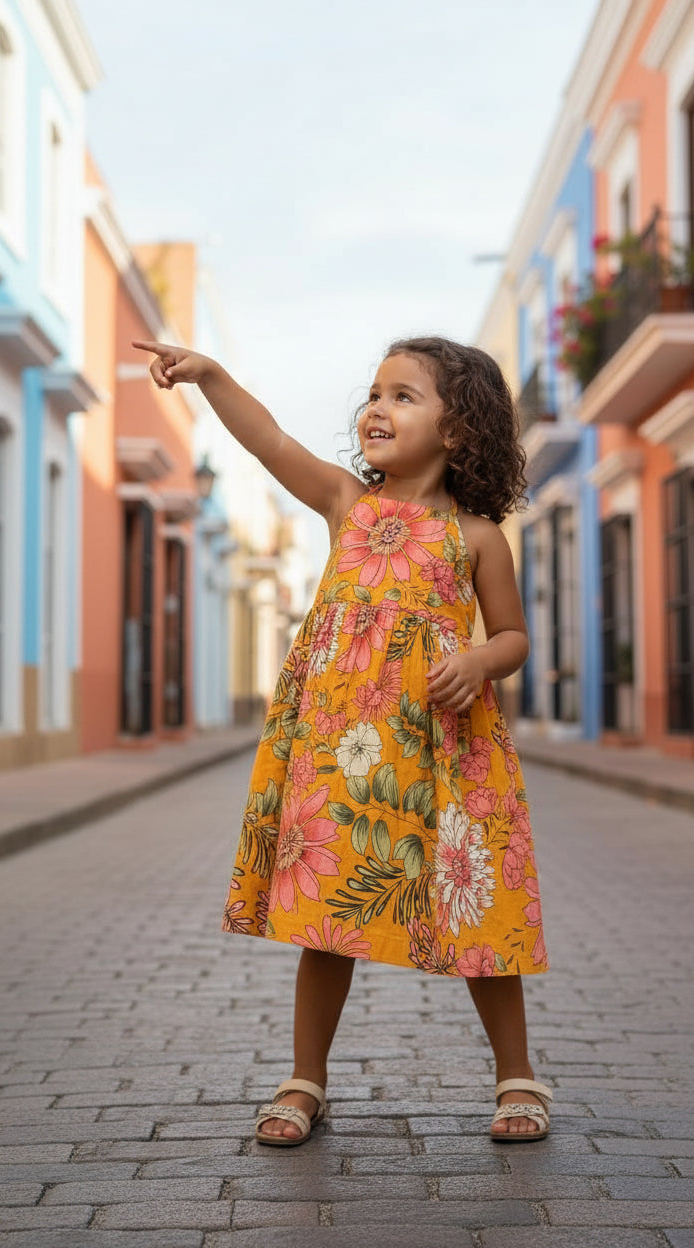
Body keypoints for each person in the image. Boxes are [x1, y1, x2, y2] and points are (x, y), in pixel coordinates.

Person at [133, 334, 551, 1147]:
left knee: (479, 909)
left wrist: (476, 659)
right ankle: (305, 1079)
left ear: (458, 429)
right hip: (346, 747)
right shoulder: (345, 505)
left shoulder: (477, 538)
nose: (376, 408)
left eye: (403, 395)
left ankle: (517, 1076)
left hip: (445, 750)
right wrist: (213, 375)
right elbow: (268, 440)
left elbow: (512, 636)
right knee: (331, 913)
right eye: (374, 392)